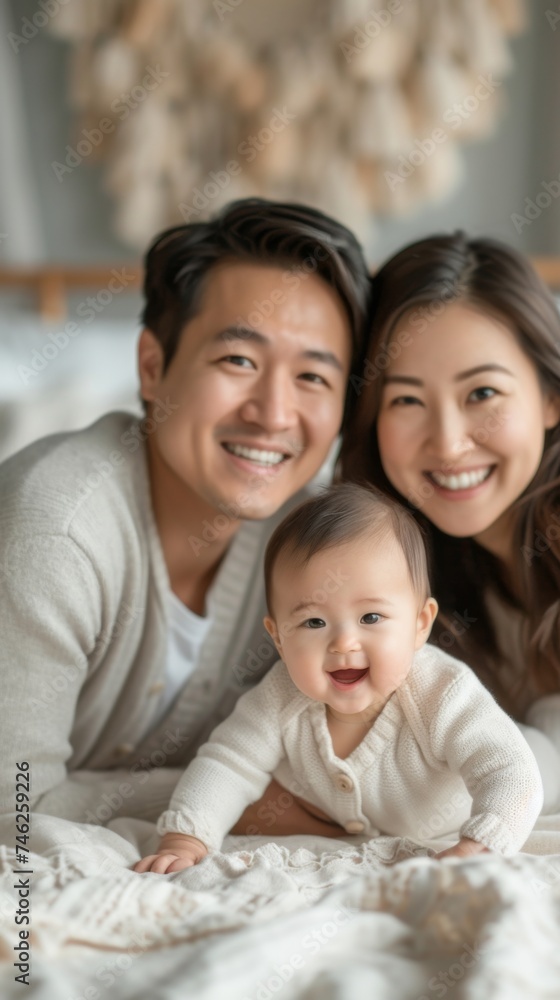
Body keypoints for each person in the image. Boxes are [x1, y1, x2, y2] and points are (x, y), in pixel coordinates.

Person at [0, 198, 370, 835]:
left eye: (312, 376)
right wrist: (237, 801)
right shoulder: (55, 534)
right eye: (239, 361)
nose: (275, 414)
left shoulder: (311, 549)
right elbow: (12, 803)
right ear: (152, 367)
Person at [340, 232, 560, 794]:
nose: (447, 444)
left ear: (551, 397)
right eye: (407, 400)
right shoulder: (422, 586)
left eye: (482, 393)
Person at [134, 483, 545, 874]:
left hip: (526, 761)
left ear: (420, 624)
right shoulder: (281, 695)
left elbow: (512, 773)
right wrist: (185, 839)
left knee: (548, 752)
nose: (344, 643)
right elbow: (228, 763)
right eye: (313, 621)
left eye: (371, 617)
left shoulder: (442, 692)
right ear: (277, 637)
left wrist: (479, 846)